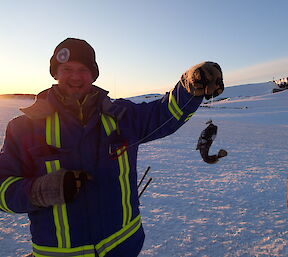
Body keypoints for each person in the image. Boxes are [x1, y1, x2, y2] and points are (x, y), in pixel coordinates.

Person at [0, 38, 224, 257]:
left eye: (83, 69)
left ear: (94, 74)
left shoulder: (121, 115)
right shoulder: (24, 128)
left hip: (125, 247)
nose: (75, 76)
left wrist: (190, 84)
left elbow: (165, 113)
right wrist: (40, 191)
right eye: (67, 68)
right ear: (55, 73)